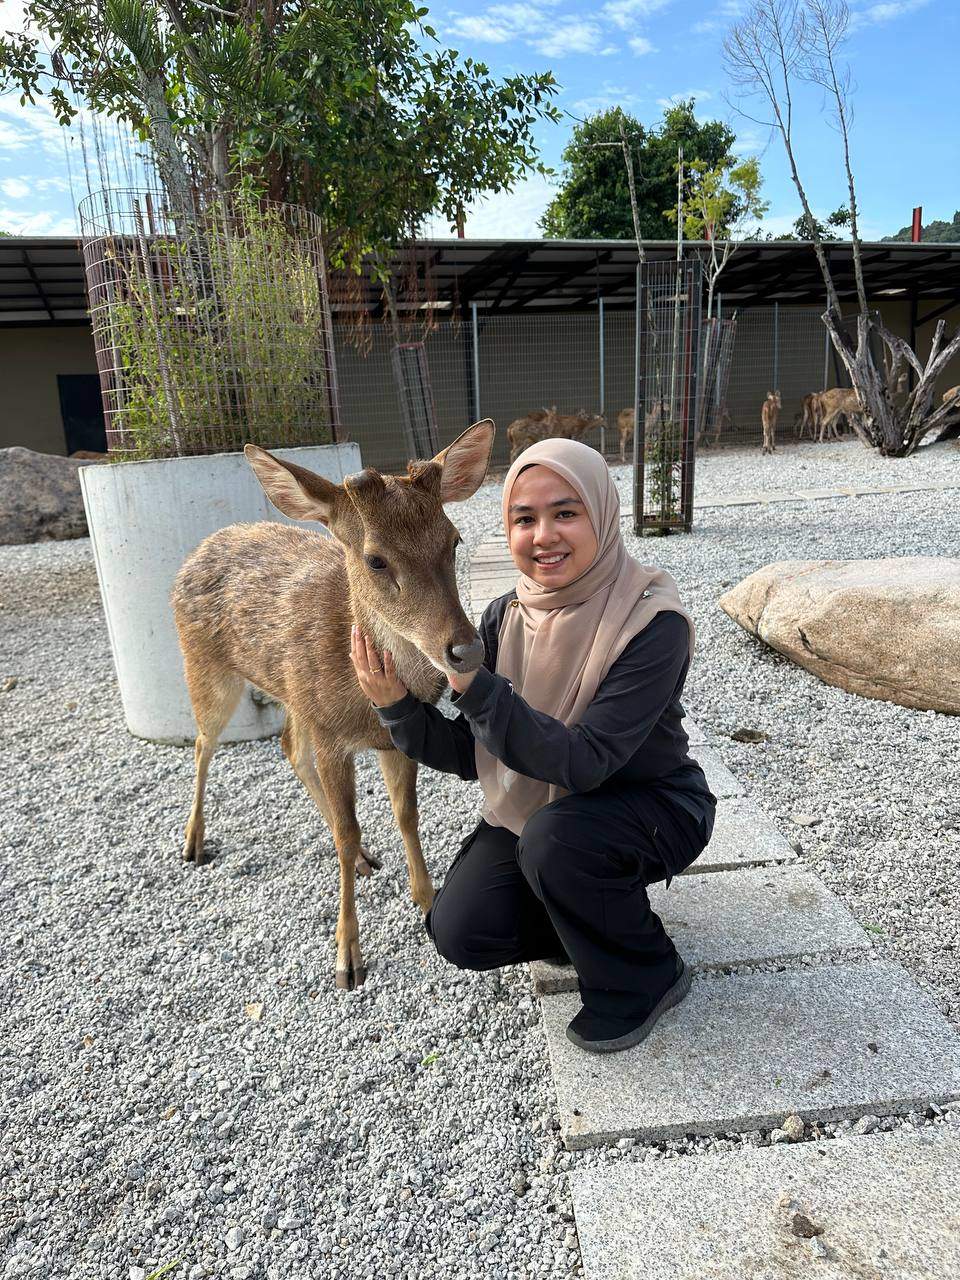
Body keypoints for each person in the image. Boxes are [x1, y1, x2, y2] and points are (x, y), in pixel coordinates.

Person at [349, 438, 717, 1055]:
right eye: (525, 519)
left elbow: (586, 761)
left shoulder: (654, 622)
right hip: (547, 811)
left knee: (555, 842)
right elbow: (476, 753)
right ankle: (591, 918)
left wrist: (477, 687)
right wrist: (397, 708)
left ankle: (646, 975)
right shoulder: (504, 617)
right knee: (460, 931)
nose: (544, 535)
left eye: (565, 513)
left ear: (602, 513)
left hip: (648, 807)